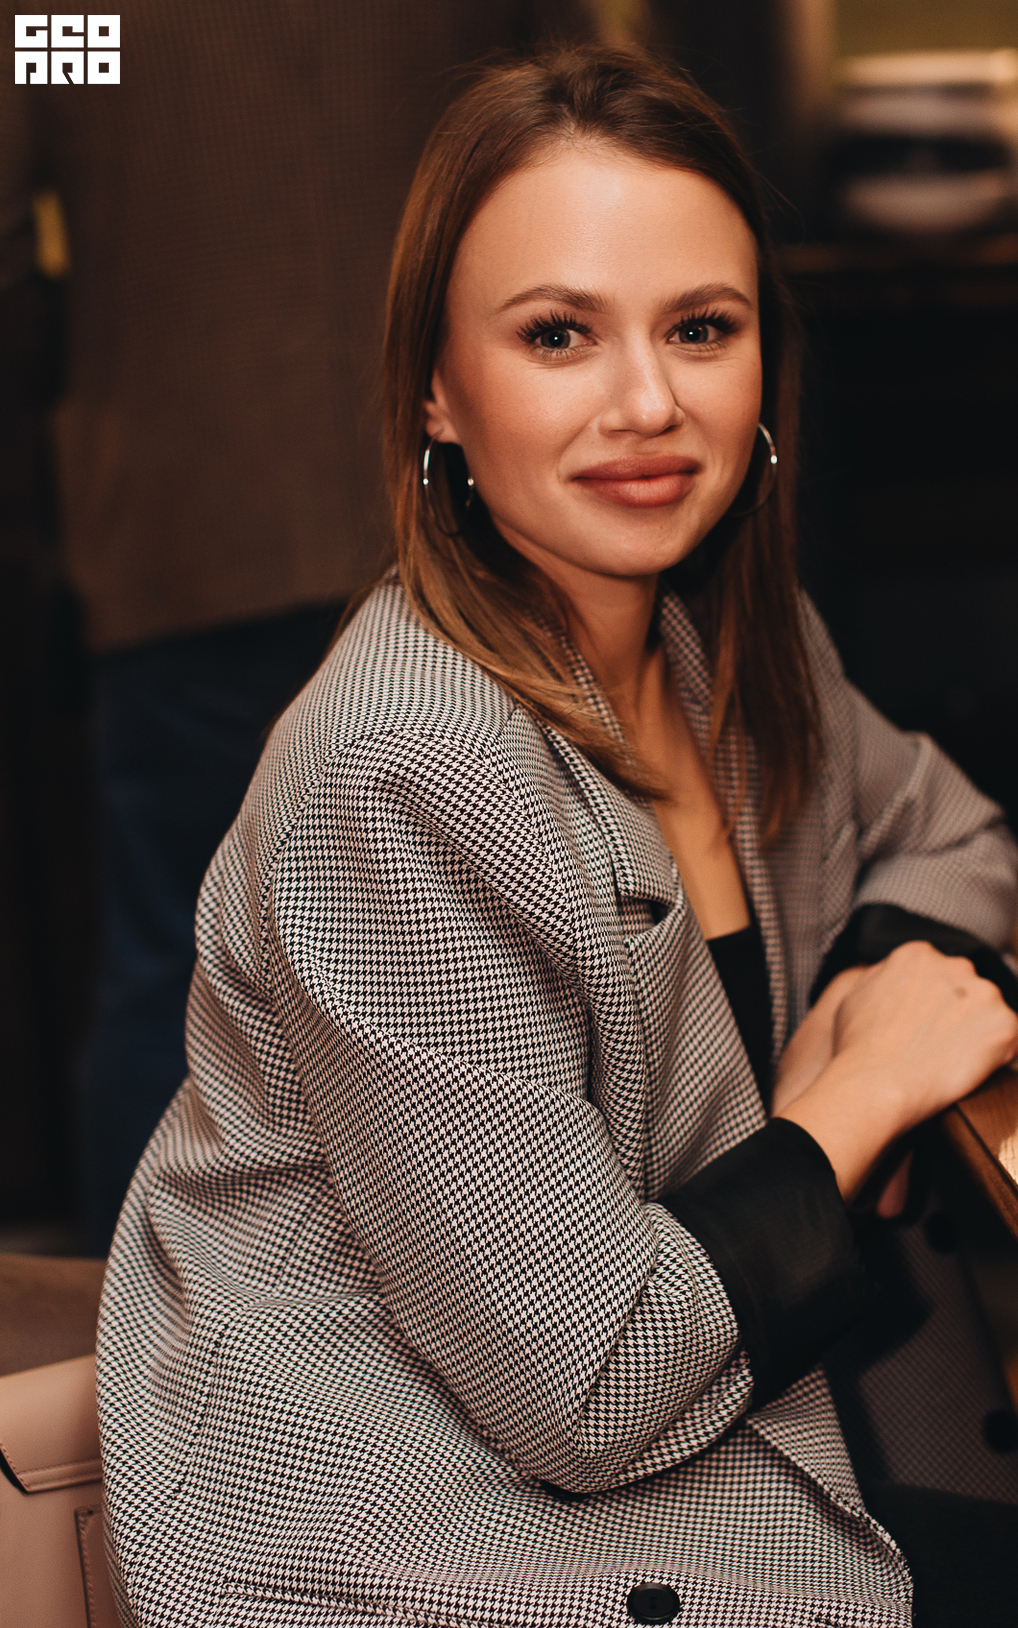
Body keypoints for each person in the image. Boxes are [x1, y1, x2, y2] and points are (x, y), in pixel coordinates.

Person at [84, 45, 1018, 1628]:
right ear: (436, 392)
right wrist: (848, 1102)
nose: (645, 404)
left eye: (700, 329)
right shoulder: (403, 769)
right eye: (558, 335)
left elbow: (946, 828)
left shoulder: (720, 645)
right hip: (427, 1591)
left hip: (708, 1479)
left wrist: (873, 977)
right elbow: (589, 1384)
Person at [1, 0, 592, 1253]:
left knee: (173, 970)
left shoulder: (78, 21)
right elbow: (577, 127)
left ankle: (141, 1331)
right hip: (462, 514)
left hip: (190, 517)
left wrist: (101, 351)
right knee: (482, 958)